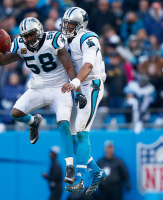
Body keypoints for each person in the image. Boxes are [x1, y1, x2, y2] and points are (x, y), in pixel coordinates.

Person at [0, 17, 87, 185]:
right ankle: (34, 122)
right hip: (38, 87)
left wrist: (77, 91)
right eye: (26, 36)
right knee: (16, 113)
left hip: (60, 88)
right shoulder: (20, 44)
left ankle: (70, 166)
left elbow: (70, 66)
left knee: (63, 124)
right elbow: (1, 61)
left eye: (32, 34)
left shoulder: (53, 40)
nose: (29, 39)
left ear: (39, 30)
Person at [60, 7, 107, 195]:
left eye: (71, 24)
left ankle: (79, 178)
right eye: (65, 23)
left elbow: (88, 64)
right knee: (71, 133)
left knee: (81, 131)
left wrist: (76, 81)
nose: (66, 27)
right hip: (76, 86)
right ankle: (96, 171)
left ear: (81, 25)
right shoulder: (66, 39)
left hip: (90, 85)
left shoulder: (88, 38)